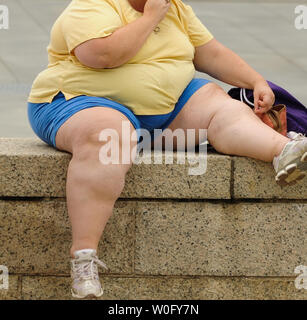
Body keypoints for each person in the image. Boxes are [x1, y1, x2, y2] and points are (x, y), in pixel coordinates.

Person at [27, 0, 307, 299]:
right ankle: (84, 256)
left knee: (218, 103)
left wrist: (255, 80)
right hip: (80, 101)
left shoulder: (176, 8)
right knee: (110, 136)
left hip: (166, 111)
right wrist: (151, 18)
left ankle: (285, 151)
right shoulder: (92, 5)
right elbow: (102, 55)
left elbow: (209, 52)